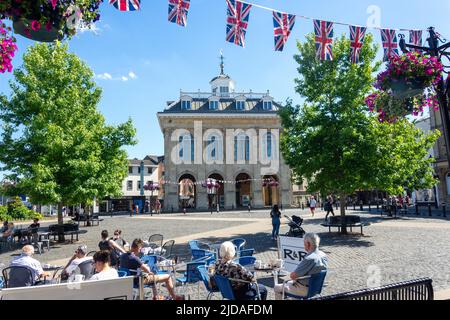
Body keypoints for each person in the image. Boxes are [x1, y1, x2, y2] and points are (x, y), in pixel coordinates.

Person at [274, 233, 328, 300]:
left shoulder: (310, 258)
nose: (304, 245)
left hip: (305, 289)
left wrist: (292, 275)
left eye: (304, 243)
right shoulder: (323, 255)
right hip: (316, 287)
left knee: (277, 287)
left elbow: (293, 276)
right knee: (289, 282)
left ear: (308, 244)